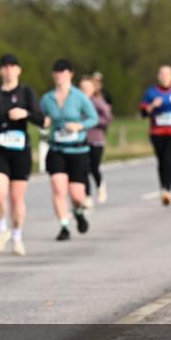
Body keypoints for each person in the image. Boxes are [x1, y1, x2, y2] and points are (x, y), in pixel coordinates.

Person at [0, 54, 44, 256]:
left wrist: (25, 114)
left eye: (12, 67)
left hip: (20, 149)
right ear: (0, 71)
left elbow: (41, 119)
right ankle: (2, 229)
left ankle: (17, 236)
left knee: (17, 199)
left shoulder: (26, 92)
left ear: (19, 70)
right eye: (5, 67)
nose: (8, 70)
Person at [40, 59, 98, 241]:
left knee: (77, 196)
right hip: (57, 148)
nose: (59, 75)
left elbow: (93, 118)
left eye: (63, 72)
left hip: (77, 150)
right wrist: (44, 122)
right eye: (56, 72)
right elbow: (41, 118)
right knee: (58, 188)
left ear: (70, 74)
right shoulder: (47, 98)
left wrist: (79, 126)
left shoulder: (80, 97)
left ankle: (78, 212)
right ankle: (64, 226)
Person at [140, 65, 171, 206]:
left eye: (167, 74)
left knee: (168, 159)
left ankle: (167, 190)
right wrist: (152, 106)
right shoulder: (151, 93)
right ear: (158, 76)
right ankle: (163, 186)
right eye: (162, 74)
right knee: (161, 160)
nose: (165, 77)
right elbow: (143, 112)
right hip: (156, 132)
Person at [79, 77, 112, 205]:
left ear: (93, 89)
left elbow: (108, 118)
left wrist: (94, 122)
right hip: (81, 140)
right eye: (82, 88)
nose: (84, 91)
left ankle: (100, 185)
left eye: (87, 88)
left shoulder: (97, 102)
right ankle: (87, 196)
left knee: (94, 167)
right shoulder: (77, 102)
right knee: (83, 168)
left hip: (96, 139)